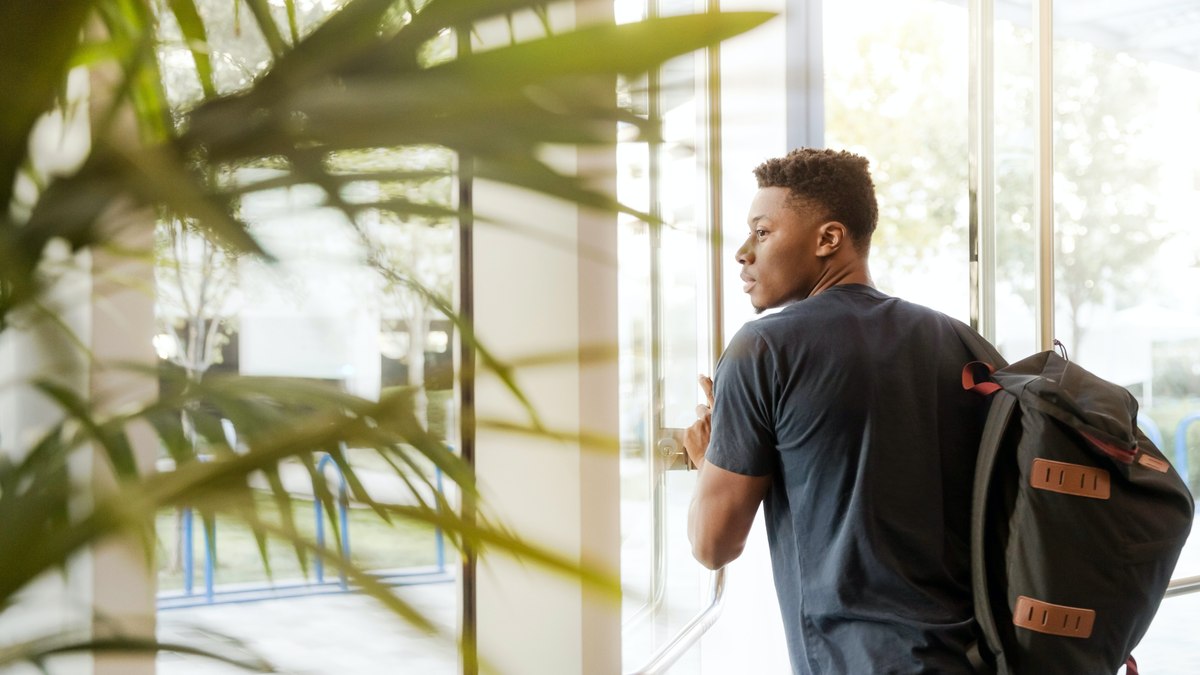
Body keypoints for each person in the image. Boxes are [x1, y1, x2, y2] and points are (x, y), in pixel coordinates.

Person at [684, 148, 985, 674]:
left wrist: (710, 458)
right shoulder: (954, 338)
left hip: (856, 661)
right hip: (974, 654)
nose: (741, 253)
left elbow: (713, 544)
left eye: (761, 232)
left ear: (828, 239)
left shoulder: (763, 348)